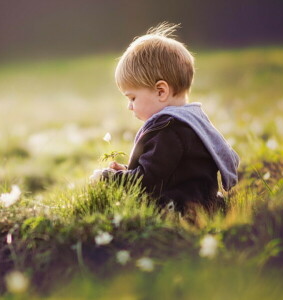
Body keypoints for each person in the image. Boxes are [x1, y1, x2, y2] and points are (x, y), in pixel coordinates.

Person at [100, 22, 240, 218]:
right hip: (200, 201)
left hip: (179, 209)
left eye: (132, 98)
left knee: (132, 213)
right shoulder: (191, 120)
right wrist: (127, 170)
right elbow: (166, 172)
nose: (129, 106)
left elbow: (146, 182)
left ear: (161, 91)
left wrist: (111, 179)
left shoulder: (168, 129)